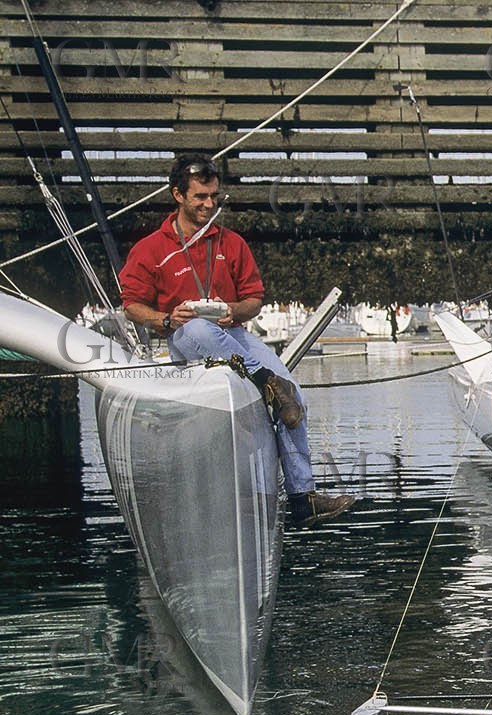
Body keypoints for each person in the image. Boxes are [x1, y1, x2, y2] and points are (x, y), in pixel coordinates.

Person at [119, 155, 353, 527]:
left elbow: (253, 300)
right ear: (177, 195)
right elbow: (132, 306)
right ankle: (267, 383)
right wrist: (166, 318)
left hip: (234, 334)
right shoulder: (151, 248)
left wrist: (234, 309)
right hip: (187, 337)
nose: (208, 204)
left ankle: (302, 496)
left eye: (214, 196)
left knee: (294, 394)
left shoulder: (231, 242)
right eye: (200, 197)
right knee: (198, 329)